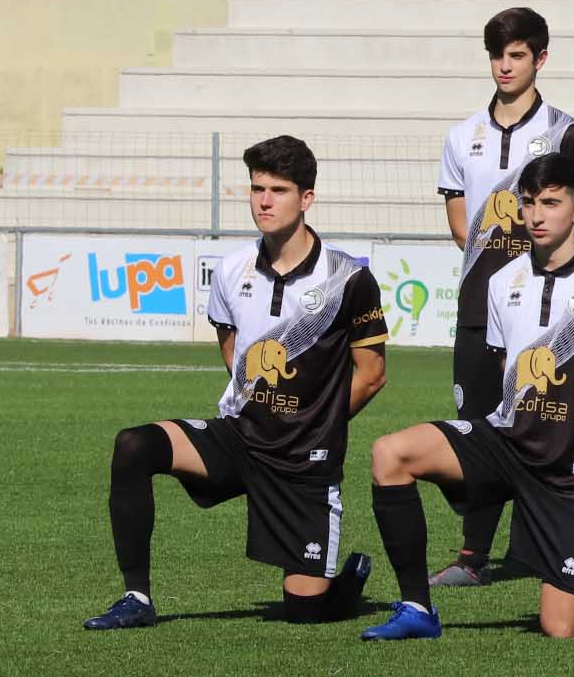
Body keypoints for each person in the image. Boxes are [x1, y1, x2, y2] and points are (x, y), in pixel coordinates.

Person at [362, 152, 574, 641]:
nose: (536, 214)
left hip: (568, 473)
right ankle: (417, 608)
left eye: (551, 202)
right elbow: (505, 373)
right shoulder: (501, 280)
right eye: (528, 202)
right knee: (390, 454)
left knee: (563, 627)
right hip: (505, 444)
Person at [86, 136, 385, 630]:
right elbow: (229, 343)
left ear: (306, 198)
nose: (264, 201)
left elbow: (372, 375)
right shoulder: (231, 270)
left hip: (303, 460)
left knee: (305, 613)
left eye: (278, 190)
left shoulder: (348, 279)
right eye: (256, 188)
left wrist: (312, 422)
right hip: (240, 439)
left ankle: (346, 583)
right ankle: (136, 597)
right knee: (135, 445)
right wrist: (257, 405)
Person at [428, 5, 574, 588]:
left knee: (543, 424)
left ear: (540, 59)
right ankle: (472, 556)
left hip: (548, 315)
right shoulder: (461, 137)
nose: (505, 66)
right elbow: (462, 226)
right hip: (480, 312)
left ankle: (546, 544)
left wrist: (537, 281)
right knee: (476, 430)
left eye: (517, 55)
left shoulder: (565, 132)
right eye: (497, 55)